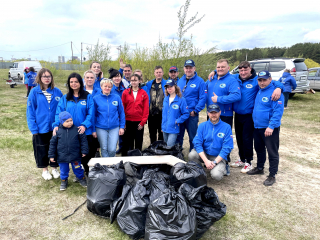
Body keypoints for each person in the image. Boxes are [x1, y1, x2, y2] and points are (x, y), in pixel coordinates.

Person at [208, 61, 283, 173]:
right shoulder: (236, 78)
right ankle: (242, 159)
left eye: (245, 70)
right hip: (237, 114)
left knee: (247, 139)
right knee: (239, 138)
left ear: (250, 69)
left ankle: (248, 161)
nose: (243, 72)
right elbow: (224, 71)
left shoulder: (256, 81)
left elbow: (272, 83)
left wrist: (279, 88)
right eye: (241, 70)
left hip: (249, 115)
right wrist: (214, 71)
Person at [53, 72, 95, 177]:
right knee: (75, 153)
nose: (74, 84)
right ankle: (77, 173)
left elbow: (91, 113)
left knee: (86, 152)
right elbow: (59, 113)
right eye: (71, 82)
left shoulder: (87, 97)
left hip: (85, 130)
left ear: (80, 82)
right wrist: (56, 125)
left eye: (76, 81)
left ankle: (88, 172)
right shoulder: (65, 98)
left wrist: (85, 125)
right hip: (70, 131)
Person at [247, 71, 284, 186]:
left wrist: (271, 126)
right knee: (259, 149)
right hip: (257, 127)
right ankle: (259, 168)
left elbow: (277, 112)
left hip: (269, 129)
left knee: (272, 152)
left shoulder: (275, 93)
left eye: (264, 80)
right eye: (260, 80)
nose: (262, 82)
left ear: (270, 79)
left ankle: (272, 175)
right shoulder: (259, 91)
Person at [26, 68, 63, 180]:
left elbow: (62, 108)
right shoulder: (34, 92)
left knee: (55, 148)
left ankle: (54, 168)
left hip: (55, 126)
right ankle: (45, 170)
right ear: (39, 78)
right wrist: (34, 128)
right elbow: (30, 111)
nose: (47, 78)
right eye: (44, 76)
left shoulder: (57, 92)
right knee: (42, 148)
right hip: (40, 126)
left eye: (48, 76)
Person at [189, 104, 233, 181]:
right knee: (192, 155)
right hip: (205, 154)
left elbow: (227, 147)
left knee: (216, 176)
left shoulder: (227, 127)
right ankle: (200, 172)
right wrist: (206, 161)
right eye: (211, 112)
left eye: (215, 112)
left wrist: (215, 162)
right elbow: (197, 143)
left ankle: (223, 167)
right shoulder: (202, 126)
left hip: (217, 156)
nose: (213, 115)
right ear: (207, 113)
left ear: (220, 112)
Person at [49, 111, 89, 191]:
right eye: (67, 121)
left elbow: (83, 141)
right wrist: (51, 155)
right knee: (63, 170)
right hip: (62, 156)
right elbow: (52, 144)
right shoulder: (57, 131)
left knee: (78, 168)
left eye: (71, 120)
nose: (70, 123)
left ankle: (81, 178)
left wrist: (84, 151)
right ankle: (64, 181)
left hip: (75, 155)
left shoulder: (77, 130)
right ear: (61, 122)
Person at [177, 59, 206, 151]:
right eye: (186, 68)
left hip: (191, 114)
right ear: (184, 69)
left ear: (194, 68)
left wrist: (196, 110)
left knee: (193, 137)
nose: (188, 70)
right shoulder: (180, 80)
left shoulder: (200, 81)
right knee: (178, 135)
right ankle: (178, 154)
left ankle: (193, 156)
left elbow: (203, 98)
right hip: (180, 114)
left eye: (190, 68)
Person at [93, 79, 125, 157]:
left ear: (112, 87)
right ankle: (106, 167)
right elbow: (93, 115)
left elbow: (121, 113)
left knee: (112, 149)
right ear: (101, 87)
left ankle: (111, 165)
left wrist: (122, 127)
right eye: (105, 86)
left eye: (109, 87)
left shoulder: (116, 97)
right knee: (103, 148)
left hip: (114, 127)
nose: (107, 88)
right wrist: (93, 130)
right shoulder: (96, 98)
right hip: (101, 127)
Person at [121, 74, 149, 156]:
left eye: (135, 80)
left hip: (138, 122)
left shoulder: (143, 93)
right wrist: (124, 122)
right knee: (127, 143)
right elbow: (122, 108)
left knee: (138, 142)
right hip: (128, 121)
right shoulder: (125, 92)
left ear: (139, 81)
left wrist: (143, 122)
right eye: (132, 80)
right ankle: (126, 161)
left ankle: (137, 162)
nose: (133, 82)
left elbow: (146, 109)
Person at [161, 80, 189, 147]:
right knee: (165, 147)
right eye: (167, 87)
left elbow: (186, 114)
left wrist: (177, 121)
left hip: (173, 128)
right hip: (165, 128)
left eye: (171, 86)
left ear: (175, 87)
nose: (169, 88)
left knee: (169, 147)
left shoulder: (181, 100)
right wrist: (162, 126)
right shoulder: (165, 99)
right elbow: (164, 114)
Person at [145, 66, 167, 144]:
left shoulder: (166, 83)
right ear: (154, 73)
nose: (158, 74)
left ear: (163, 73)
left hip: (162, 113)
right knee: (152, 133)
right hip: (151, 113)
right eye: (157, 72)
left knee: (161, 132)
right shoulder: (149, 84)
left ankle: (160, 148)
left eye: (160, 72)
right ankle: (153, 147)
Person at [109, 68, 126, 154]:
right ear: (111, 78)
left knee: (122, 134)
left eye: (119, 76)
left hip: (122, 114)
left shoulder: (124, 89)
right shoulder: (110, 90)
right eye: (115, 77)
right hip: (113, 116)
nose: (117, 78)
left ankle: (122, 148)